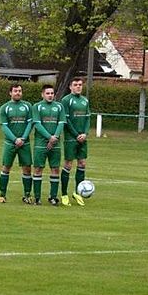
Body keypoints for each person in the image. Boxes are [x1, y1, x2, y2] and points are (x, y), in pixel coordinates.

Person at [0, 84, 34, 204]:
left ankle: (27, 195)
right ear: (10, 93)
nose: (18, 93)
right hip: (10, 143)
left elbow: (30, 123)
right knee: (6, 167)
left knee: (27, 168)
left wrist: (23, 138)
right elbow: (4, 126)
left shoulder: (27, 106)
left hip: (24, 143)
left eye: (20, 91)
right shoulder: (4, 108)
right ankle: (2, 195)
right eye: (15, 91)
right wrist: (14, 139)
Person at [31, 83, 66, 206]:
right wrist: (49, 137)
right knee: (38, 169)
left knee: (55, 169)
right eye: (47, 93)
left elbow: (61, 123)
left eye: (52, 93)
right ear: (42, 94)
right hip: (41, 143)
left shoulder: (59, 106)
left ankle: (53, 197)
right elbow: (37, 124)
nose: (50, 95)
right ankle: (37, 198)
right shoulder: (37, 106)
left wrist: (54, 137)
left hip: (55, 143)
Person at [59, 77, 91, 206]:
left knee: (82, 163)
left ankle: (78, 193)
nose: (78, 86)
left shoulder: (85, 100)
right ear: (70, 87)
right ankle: (64, 194)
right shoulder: (66, 100)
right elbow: (66, 120)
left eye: (80, 84)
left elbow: (88, 118)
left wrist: (85, 133)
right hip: (71, 138)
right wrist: (76, 134)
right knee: (68, 164)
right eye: (75, 84)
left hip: (82, 137)